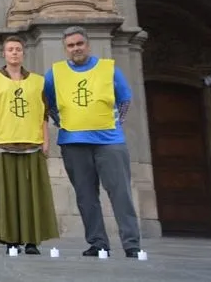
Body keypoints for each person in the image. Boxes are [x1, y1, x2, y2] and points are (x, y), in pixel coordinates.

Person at [44, 26, 141, 258]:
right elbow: (49, 103)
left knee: (120, 193)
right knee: (86, 196)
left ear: (87, 45)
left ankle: (131, 244)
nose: (76, 48)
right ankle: (98, 243)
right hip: (73, 142)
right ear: (65, 49)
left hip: (109, 141)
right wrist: (63, 122)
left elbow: (125, 99)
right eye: (71, 45)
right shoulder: (54, 74)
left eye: (79, 44)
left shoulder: (109, 69)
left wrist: (116, 123)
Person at [0, 35, 58, 254]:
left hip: (32, 142)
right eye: (10, 49)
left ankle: (33, 241)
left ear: (23, 53)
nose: (14, 53)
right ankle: (11, 240)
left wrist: (45, 139)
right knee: (9, 195)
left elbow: (44, 113)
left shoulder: (38, 81)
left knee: (33, 195)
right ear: (4, 54)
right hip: (4, 142)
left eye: (17, 49)